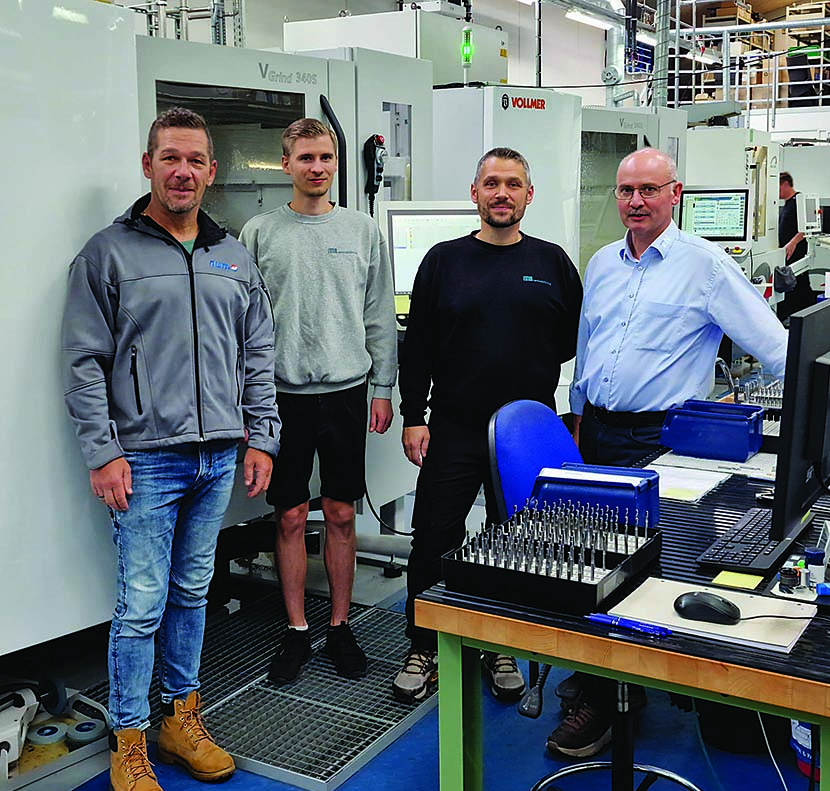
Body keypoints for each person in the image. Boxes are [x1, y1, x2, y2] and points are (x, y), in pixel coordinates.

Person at [62, 108, 280, 791]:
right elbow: (84, 362)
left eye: (196, 160)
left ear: (211, 172)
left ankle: (180, 718)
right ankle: (130, 744)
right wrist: (103, 450)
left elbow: (256, 354)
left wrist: (262, 437)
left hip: (219, 453)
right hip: (146, 461)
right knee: (141, 604)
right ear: (148, 165)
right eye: (171, 158)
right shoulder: (109, 253)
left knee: (193, 592)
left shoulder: (233, 256)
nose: (183, 171)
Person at [555, 148, 788, 758]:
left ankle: (610, 705)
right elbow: (589, 347)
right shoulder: (603, 262)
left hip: (663, 440)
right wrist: (579, 421)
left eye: (648, 191)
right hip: (601, 431)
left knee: (651, 571)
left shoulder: (706, 267)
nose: (635, 202)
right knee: (597, 560)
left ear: (674, 192)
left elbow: (779, 350)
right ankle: (603, 672)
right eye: (626, 191)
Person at [392, 147, 583, 704]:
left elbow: (572, 341)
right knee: (432, 538)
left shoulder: (552, 264)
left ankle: (498, 641)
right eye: (492, 183)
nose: (503, 193)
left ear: (530, 195)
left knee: (515, 542)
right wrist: (412, 416)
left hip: (523, 437)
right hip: (453, 427)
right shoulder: (443, 261)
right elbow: (419, 346)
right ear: (475, 194)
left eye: (514, 184)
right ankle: (424, 646)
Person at [240, 118, 397, 684]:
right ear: (286, 165)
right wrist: (250, 405)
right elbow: (244, 324)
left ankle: (338, 625)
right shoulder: (258, 233)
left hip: (347, 394)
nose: (317, 167)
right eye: (306, 157)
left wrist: (383, 388)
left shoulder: (361, 231)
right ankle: (296, 629)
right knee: (286, 516)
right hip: (282, 398)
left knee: (339, 513)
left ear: (336, 164)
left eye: (326, 158)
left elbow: (379, 314)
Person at [778, 171, 818, 320]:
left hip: (797, 252)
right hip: (786, 253)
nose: (777, 192)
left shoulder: (799, 201)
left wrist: (793, 242)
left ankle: (807, 316)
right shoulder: (786, 204)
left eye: (778, 187)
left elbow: (808, 228)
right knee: (794, 286)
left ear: (786, 184)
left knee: (799, 284)